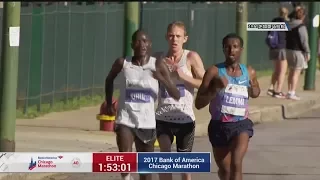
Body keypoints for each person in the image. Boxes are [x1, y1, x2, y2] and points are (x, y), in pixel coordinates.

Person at [105, 29, 180, 180]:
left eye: (145, 41)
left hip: (147, 123)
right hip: (125, 119)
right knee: (125, 161)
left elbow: (176, 94)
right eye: (138, 41)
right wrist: (108, 103)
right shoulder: (123, 63)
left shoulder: (157, 64)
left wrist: (162, 79)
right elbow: (109, 80)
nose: (142, 44)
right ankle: (126, 178)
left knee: (145, 172)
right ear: (132, 44)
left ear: (150, 44)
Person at [195, 33, 260, 180]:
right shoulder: (213, 72)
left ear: (241, 49)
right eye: (228, 47)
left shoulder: (249, 72)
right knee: (225, 171)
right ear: (223, 49)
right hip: (219, 126)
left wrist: (253, 89)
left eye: (235, 47)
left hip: (241, 125)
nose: (232, 50)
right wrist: (214, 89)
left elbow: (256, 91)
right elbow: (199, 104)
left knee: (236, 163)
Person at [153, 21, 205, 180]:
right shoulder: (158, 59)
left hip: (185, 119)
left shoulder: (191, 57)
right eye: (171, 36)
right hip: (163, 117)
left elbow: (204, 83)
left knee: (184, 166)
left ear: (185, 38)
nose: (174, 39)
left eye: (178, 36)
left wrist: (182, 76)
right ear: (166, 37)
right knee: (165, 157)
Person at [286, 7, 310, 100]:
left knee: (291, 71)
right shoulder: (301, 27)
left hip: (288, 50)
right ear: (303, 16)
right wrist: (307, 52)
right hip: (298, 52)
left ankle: (289, 91)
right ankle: (292, 92)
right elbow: (304, 41)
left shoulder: (288, 25)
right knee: (296, 72)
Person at [266, 7, 289, 98]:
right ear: (286, 13)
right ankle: (278, 91)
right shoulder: (286, 23)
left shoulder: (273, 21)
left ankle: (271, 88)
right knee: (282, 71)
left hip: (273, 48)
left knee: (276, 70)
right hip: (282, 48)